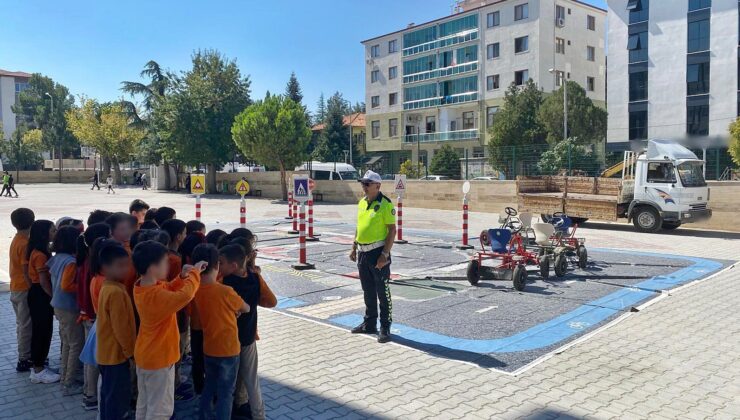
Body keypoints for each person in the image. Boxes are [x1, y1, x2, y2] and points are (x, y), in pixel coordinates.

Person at [132, 240, 203, 420]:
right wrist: (195, 273)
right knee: (160, 410)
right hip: (159, 359)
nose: (168, 265)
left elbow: (169, 289)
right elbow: (185, 295)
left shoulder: (142, 286)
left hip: (146, 355)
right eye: (165, 262)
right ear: (152, 267)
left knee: (145, 403)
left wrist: (182, 277)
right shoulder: (156, 296)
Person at [193, 244, 249, 420]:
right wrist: (235, 310)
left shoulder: (195, 289)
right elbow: (245, 308)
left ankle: (204, 415)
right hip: (228, 350)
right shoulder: (225, 291)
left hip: (209, 347)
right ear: (217, 264)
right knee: (226, 393)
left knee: (209, 386)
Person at [222, 242, 276, 420]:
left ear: (233, 265)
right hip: (248, 336)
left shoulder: (223, 283)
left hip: (227, 340)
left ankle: (226, 412)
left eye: (221, 263)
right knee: (252, 381)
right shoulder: (255, 278)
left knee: (227, 381)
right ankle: (259, 415)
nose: (219, 267)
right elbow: (271, 301)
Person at [349, 170, 396, 343]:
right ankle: (369, 323)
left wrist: (384, 254)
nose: (364, 187)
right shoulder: (362, 203)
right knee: (367, 290)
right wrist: (354, 246)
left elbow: (392, 230)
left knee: (382, 291)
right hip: (363, 252)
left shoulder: (386, 204)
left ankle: (385, 326)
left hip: (378, 253)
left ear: (378, 186)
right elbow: (359, 226)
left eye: (367, 184)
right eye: (363, 183)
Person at [96, 240, 137, 420]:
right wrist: (130, 353)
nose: (125, 270)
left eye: (127, 265)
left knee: (108, 394)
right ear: (104, 268)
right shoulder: (116, 293)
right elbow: (121, 329)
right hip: (116, 356)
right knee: (116, 397)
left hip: (106, 354)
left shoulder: (108, 287)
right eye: (120, 266)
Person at [76, 223, 111, 411]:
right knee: (94, 361)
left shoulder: (89, 264)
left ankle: (89, 393)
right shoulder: (99, 276)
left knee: (92, 358)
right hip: (93, 318)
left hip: (89, 316)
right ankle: (90, 396)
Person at [49, 225, 86, 395]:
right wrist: (83, 286)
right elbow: (66, 285)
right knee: (75, 344)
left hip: (58, 306)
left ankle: (65, 377)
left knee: (67, 344)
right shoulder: (70, 262)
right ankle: (69, 384)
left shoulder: (58, 257)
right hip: (69, 308)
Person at [26, 219, 60, 383]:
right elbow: (44, 281)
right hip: (41, 294)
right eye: (53, 230)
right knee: (41, 332)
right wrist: (54, 297)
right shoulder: (39, 255)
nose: (55, 233)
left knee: (43, 331)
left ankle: (39, 366)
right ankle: (38, 370)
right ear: (43, 234)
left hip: (37, 292)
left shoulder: (39, 250)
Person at [9, 208, 35, 373]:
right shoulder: (25, 243)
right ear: (32, 222)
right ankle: (24, 359)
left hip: (16, 287)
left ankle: (27, 354)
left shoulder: (17, 239)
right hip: (24, 288)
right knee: (26, 325)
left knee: (22, 323)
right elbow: (27, 271)